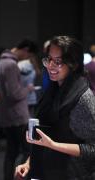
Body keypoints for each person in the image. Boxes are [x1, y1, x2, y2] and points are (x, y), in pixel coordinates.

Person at [15, 36, 95, 180]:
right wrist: (28, 163)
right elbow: (45, 135)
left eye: (58, 61)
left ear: (73, 64)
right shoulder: (52, 90)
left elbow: (92, 149)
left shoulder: (83, 98)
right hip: (44, 172)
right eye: (49, 59)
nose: (50, 65)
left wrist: (53, 145)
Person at [0, 38, 38, 180]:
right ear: (25, 50)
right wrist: (28, 89)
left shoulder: (1, 62)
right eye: (28, 55)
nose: (27, 58)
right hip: (17, 115)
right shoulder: (12, 65)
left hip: (6, 115)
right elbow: (15, 94)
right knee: (27, 151)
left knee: (11, 152)